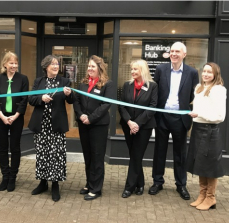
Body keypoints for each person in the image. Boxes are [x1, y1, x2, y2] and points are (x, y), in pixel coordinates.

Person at [149, 42, 199, 200]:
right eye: (172, 51)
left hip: (180, 118)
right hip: (162, 117)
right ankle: (158, 182)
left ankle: (181, 184)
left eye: (177, 51)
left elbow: (194, 95)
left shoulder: (192, 72)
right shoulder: (160, 69)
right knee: (159, 151)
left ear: (184, 54)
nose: (174, 54)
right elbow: (155, 91)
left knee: (180, 153)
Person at [28, 55, 73, 202]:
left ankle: (55, 185)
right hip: (41, 125)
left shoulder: (64, 81)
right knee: (42, 154)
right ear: (46, 66)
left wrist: (69, 94)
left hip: (56, 125)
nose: (55, 66)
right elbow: (31, 99)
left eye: (57, 64)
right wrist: (41, 99)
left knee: (56, 155)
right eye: (52, 64)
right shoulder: (39, 81)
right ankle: (42, 183)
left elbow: (71, 100)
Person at [73, 55, 116, 201]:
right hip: (83, 124)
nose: (90, 69)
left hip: (98, 125)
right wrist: (81, 116)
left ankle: (96, 189)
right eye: (89, 66)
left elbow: (106, 105)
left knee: (97, 156)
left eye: (93, 66)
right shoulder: (83, 83)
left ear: (100, 68)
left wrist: (90, 118)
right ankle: (89, 183)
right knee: (88, 156)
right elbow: (76, 100)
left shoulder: (107, 84)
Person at [186, 62, 226, 211]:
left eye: (210, 72)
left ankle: (211, 197)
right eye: (204, 71)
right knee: (199, 163)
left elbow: (220, 116)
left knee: (210, 165)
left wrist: (199, 114)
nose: (206, 74)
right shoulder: (199, 88)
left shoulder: (219, 90)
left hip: (210, 131)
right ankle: (202, 195)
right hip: (198, 128)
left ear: (215, 74)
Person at [118, 59, 158, 198]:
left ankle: (129, 187)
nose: (133, 71)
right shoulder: (127, 85)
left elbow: (152, 107)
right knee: (135, 155)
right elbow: (121, 105)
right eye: (132, 69)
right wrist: (129, 121)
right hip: (128, 125)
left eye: (135, 69)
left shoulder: (152, 86)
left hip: (144, 127)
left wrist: (137, 124)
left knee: (136, 155)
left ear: (143, 70)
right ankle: (140, 183)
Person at [0, 52, 29, 192]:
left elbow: (24, 100)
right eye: (11, 63)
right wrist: (2, 116)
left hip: (16, 118)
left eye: (15, 63)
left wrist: (15, 116)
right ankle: (5, 176)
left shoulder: (23, 79)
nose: (13, 65)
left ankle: (13, 176)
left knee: (14, 147)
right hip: (1, 117)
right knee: (2, 147)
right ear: (5, 64)